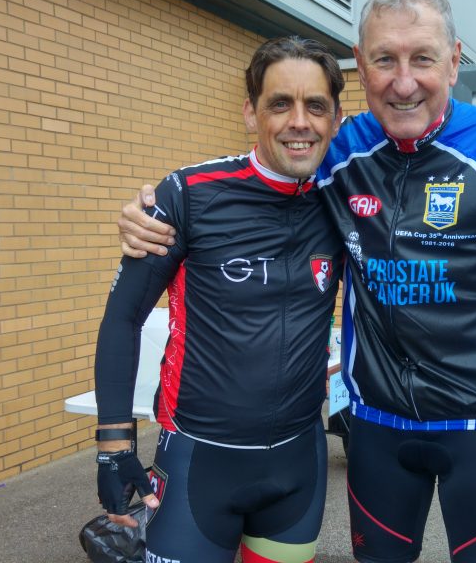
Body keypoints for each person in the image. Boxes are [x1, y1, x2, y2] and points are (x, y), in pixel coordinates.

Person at [118, 0, 476, 561]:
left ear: (454, 60)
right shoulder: (338, 151)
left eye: (422, 58)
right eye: (384, 60)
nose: (403, 82)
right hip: (375, 426)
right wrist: (153, 214)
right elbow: (261, 177)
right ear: (360, 63)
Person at [93, 36, 344, 563]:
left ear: (335, 118)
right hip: (198, 464)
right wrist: (114, 446)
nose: (300, 121)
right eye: (280, 103)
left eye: (315, 106)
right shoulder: (187, 194)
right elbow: (123, 318)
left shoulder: (346, 197)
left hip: (299, 466)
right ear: (251, 113)